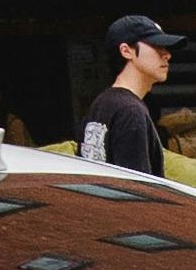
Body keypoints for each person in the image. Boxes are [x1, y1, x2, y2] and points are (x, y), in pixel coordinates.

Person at [79, 16, 184, 174]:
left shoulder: (101, 103)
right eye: (156, 45)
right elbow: (137, 190)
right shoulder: (130, 111)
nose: (167, 55)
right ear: (126, 51)